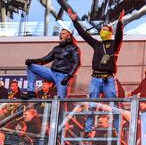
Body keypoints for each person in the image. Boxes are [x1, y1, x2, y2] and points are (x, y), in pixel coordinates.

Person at [67, 8, 124, 136]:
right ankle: (88, 129)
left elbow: (120, 36)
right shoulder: (97, 44)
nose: (102, 31)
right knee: (92, 104)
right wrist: (75, 21)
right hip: (96, 78)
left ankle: (118, 128)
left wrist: (120, 23)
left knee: (114, 103)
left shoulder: (115, 44)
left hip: (109, 78)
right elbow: (84, 34)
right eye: (102, 29)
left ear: (110, 33)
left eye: (105, 29)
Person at [22, 29, 80, 99]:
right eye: (60, 34)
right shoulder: (57, 48)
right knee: (31, 67)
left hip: (63, 76)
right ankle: (31, 92)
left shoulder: (74, 48)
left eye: (63, 34)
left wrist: (69, 77)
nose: (61, 35)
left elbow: (77, 63)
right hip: (52, 73)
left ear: (69, 36)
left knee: (61, 102)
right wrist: (32, 61)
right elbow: (45, 59)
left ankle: (62, 108)